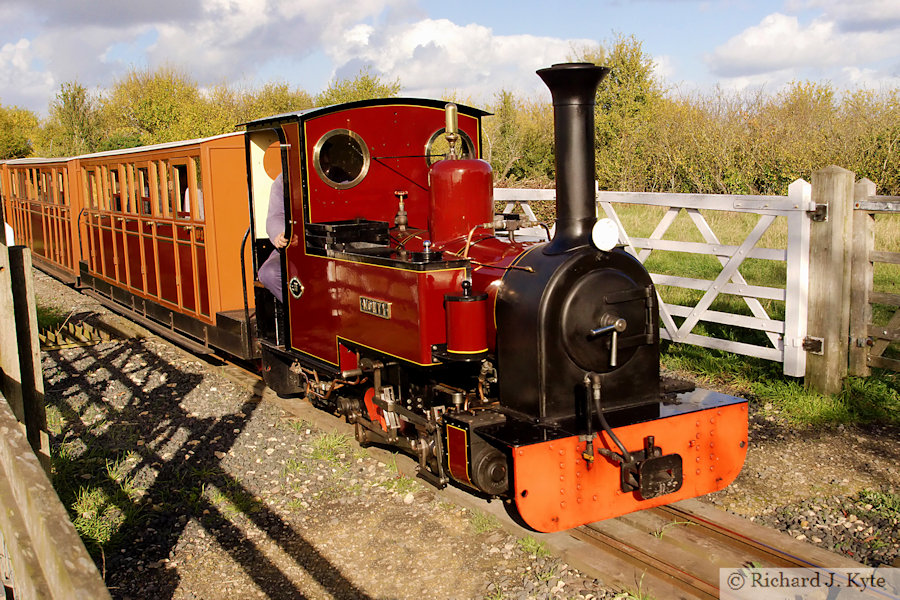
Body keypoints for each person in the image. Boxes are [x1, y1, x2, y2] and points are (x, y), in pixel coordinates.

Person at [258, 173, 287, 302]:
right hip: (295, 245)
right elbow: (275, 216)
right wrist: (279, 235)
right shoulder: (282, 180)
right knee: (269, 273)